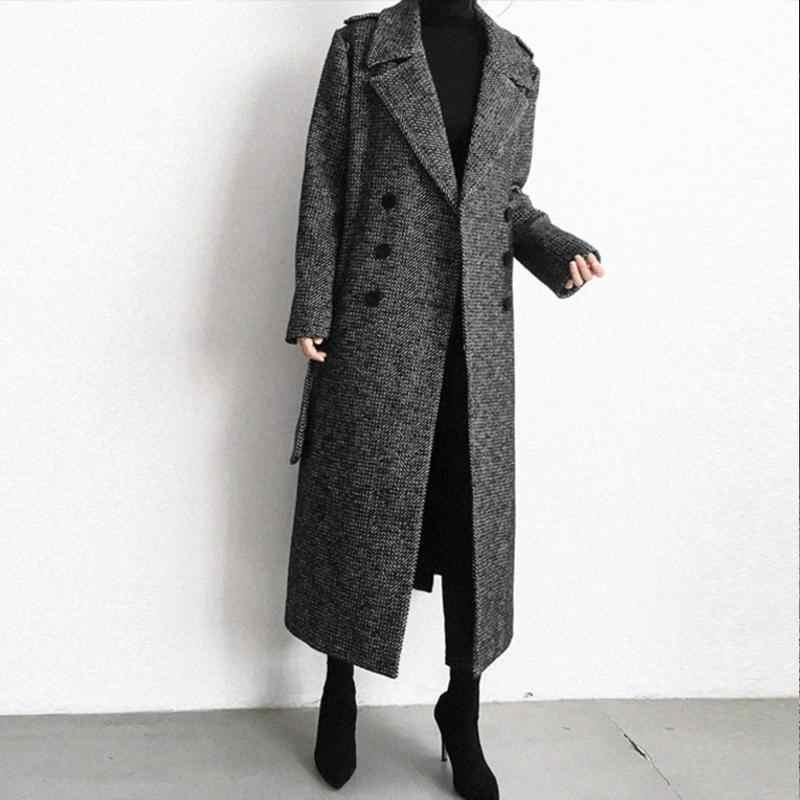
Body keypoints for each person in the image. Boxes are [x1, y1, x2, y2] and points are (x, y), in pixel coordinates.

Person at [285, 0, 605, 796]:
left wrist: (554, 247)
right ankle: (338, 690)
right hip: (378, 322)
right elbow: (326, 177)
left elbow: (503, 199)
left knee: (471, 529)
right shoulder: (364, 48)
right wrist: (314, 303)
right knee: (358, 514)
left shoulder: (516, 64)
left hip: (475, 338)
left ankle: (462, 708)